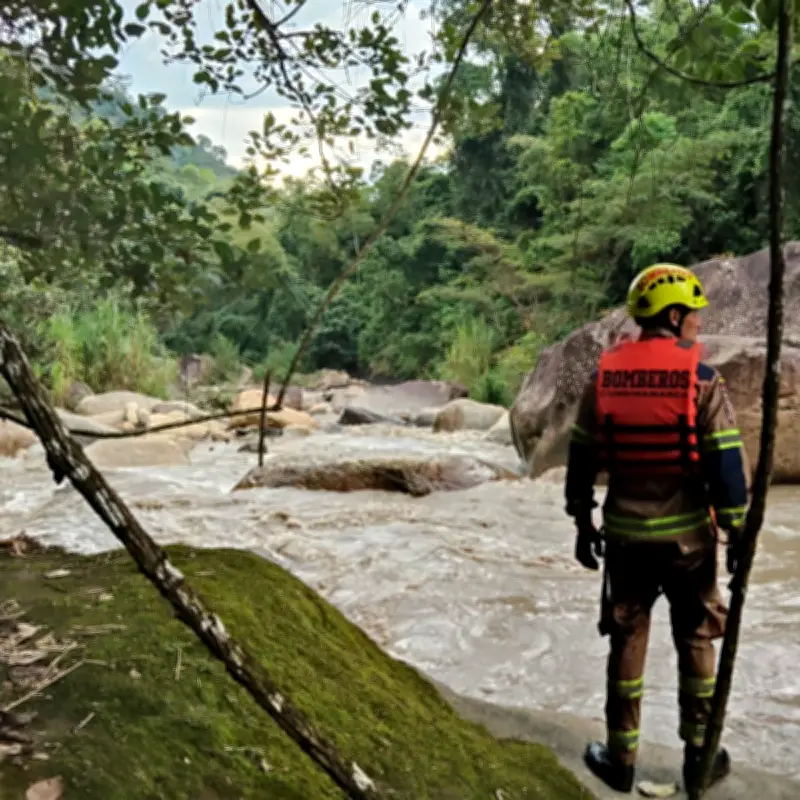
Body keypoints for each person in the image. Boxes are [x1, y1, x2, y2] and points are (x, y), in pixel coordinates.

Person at [564, 263, 749, 794]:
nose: (696, 324)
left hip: (624, 540)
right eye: (693, 315)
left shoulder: (604, 379)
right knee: (697, 637)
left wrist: (582, 522)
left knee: (627, 638)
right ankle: (699, 756)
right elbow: (726, 465)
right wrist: (735, 534)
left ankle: (620, 760)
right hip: (690, 540)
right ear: (673, 314)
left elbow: (580, 460)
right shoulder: (702, 380)